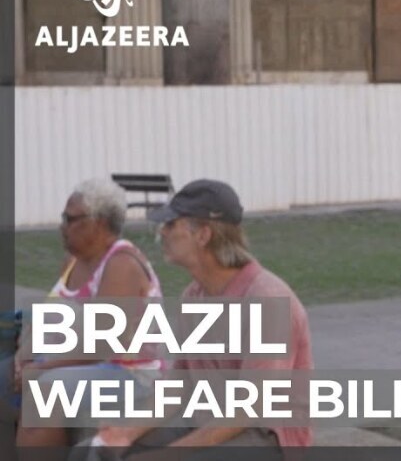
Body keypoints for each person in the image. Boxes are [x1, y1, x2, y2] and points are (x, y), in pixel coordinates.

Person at [87, 179, 313, 455]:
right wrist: (126, 431)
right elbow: (180, 383)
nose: (162, 231)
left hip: (266, 436)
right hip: (210, 423)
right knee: (97, 450)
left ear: (203, 235)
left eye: (171, 224)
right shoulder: (193, 296)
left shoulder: (266, 300)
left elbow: (250, 408)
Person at [3, 179, 163, 448]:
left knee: (45, 391)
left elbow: (104, 345)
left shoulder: (121, 263)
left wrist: (41, 368)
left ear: (98, 223)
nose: (62, 226)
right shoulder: (72, 261)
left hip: (129, 373)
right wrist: (23, 358)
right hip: (68, 362)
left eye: (70, 219)